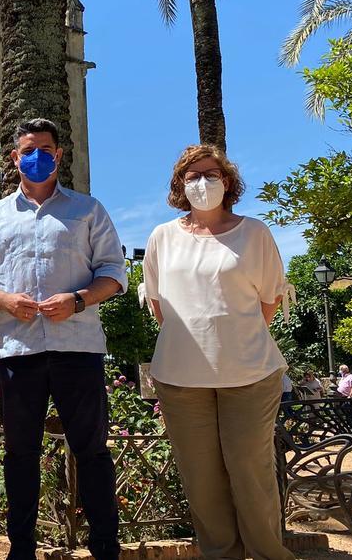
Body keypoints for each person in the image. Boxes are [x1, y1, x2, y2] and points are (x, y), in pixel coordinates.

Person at [0, 118, 126, 560]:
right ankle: (22, 550)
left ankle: (105, 548)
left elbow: (114, 272)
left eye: (46, 148)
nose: (37, 156)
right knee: (20, 454)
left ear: (59, 155)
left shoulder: (88, 210)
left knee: (91, 451)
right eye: (28, 149)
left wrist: (78, 299)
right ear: (14, 157)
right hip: (18, 351)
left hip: (79, 348)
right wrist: (4, 300)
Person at [142, 144, 296, 560]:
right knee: (202, 480)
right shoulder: (162, 238)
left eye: (211, 174)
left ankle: (269, 554)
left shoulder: (255, 233)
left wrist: (229, 343)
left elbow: (268, 304)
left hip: (249, 376)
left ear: (227, 182)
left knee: (251, 474)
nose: (202, 182)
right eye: (192, 176)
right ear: (179, 185)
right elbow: (160, 307)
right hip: (180, 378)